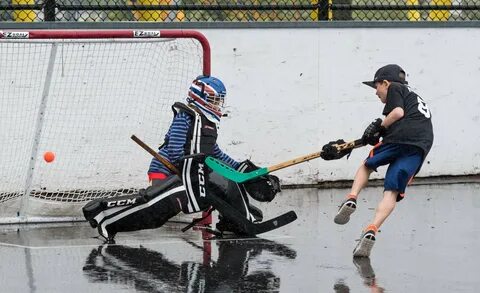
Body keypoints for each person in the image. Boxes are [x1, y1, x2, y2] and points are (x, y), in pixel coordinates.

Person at [83, 75, 281, 241]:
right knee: (154, 209)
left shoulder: (209, 125)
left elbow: (215, 154)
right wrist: (189, 163)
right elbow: (175, 149)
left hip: (190, 172)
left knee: (221, 183)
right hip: (165, 169)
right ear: (200, 96)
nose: (218, 104)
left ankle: (232, 220)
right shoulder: (186, 117)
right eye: (214, 99)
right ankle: (103, 214)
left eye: (220, 100)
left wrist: (238, 167)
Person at [322, 64, 434, 257]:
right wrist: (378, 133)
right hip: (420, 145)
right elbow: (405, 119)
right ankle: (372, 228)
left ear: (386, 83)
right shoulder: (414, 100)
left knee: (367, 165)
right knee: (392, 191)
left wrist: (380, 127)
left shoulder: (396, 88)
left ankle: (351, 199)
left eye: (376, 87)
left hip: (402, 136)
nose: (376, 93)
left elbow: (397, 113)